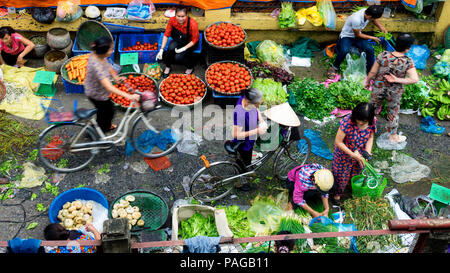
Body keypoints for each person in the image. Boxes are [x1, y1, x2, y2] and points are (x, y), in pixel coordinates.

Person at [364, 33, 418, 143]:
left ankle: (365, 129)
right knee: (393, 112)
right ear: (408, 48)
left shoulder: (383, 55)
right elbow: (414, 79)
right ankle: (393, 136)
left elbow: (373, 71)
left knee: (372, 107)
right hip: (394, 91)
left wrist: (367, 81)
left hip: (378, 87)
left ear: (396, 43)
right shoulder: (408, 61)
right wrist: (397, 79)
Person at [84, 37, 140, 133]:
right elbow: (109, 87)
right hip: (97, 94)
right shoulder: (97, 67)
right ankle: (99, 132)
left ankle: (102, 125)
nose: (112, 51)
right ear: (103, 51)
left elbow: (107, 64)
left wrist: (115, 77)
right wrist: (129, 96)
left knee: (106, 111)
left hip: (96, 89)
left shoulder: (97, 54)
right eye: (110, 49)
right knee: (106, 111)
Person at [331, 103, 377, 204]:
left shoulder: (372, 121)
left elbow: (370, 137)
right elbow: (338, 142)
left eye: (363, 121)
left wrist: (368, 151)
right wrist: (352, 154)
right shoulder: (347, 122)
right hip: (344, 154)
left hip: (360, 154)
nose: (360, 123)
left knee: (356, 172)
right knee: (341, 175)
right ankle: (337, 195)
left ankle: (350, 186)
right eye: (358, 120)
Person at [328, 5, 387, 79]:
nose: (374, 19)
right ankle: (334, 67)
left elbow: (374, 20)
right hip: (347, 36)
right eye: (373, 18)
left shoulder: (368, 12)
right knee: (344, 50)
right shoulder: (357, 19)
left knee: (370, 49)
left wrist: (381, 27)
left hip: (358, 36)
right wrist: (372, 37)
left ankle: (370, 70)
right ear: (370, 16)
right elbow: (358, 35)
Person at [232, 88, 268, 191]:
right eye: (257, 104)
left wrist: (261, 120)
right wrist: (257, 131)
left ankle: (242, 167)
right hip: (243, 142)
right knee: (245, 163)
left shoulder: (246, 98)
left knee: (245, 159)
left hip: (250, 137)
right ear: (249, 102)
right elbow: (236, 134)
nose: (258, 107)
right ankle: (244, 183)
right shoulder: (239, 113)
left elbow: (256, 109)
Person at [156, 5, 200, 77]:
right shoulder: (172, 20)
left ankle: (190, 67)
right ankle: (168, 66)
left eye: (183, 16)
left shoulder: (192, 23)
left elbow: (195, 40)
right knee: (170, 48)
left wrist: (184, 48)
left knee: (179, 57)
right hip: (178, 40)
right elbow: (166, 34)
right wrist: (161, 49)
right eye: (178, 16)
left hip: (190, 43)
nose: (180, 19)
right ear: (175, 15)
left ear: (186, 15)